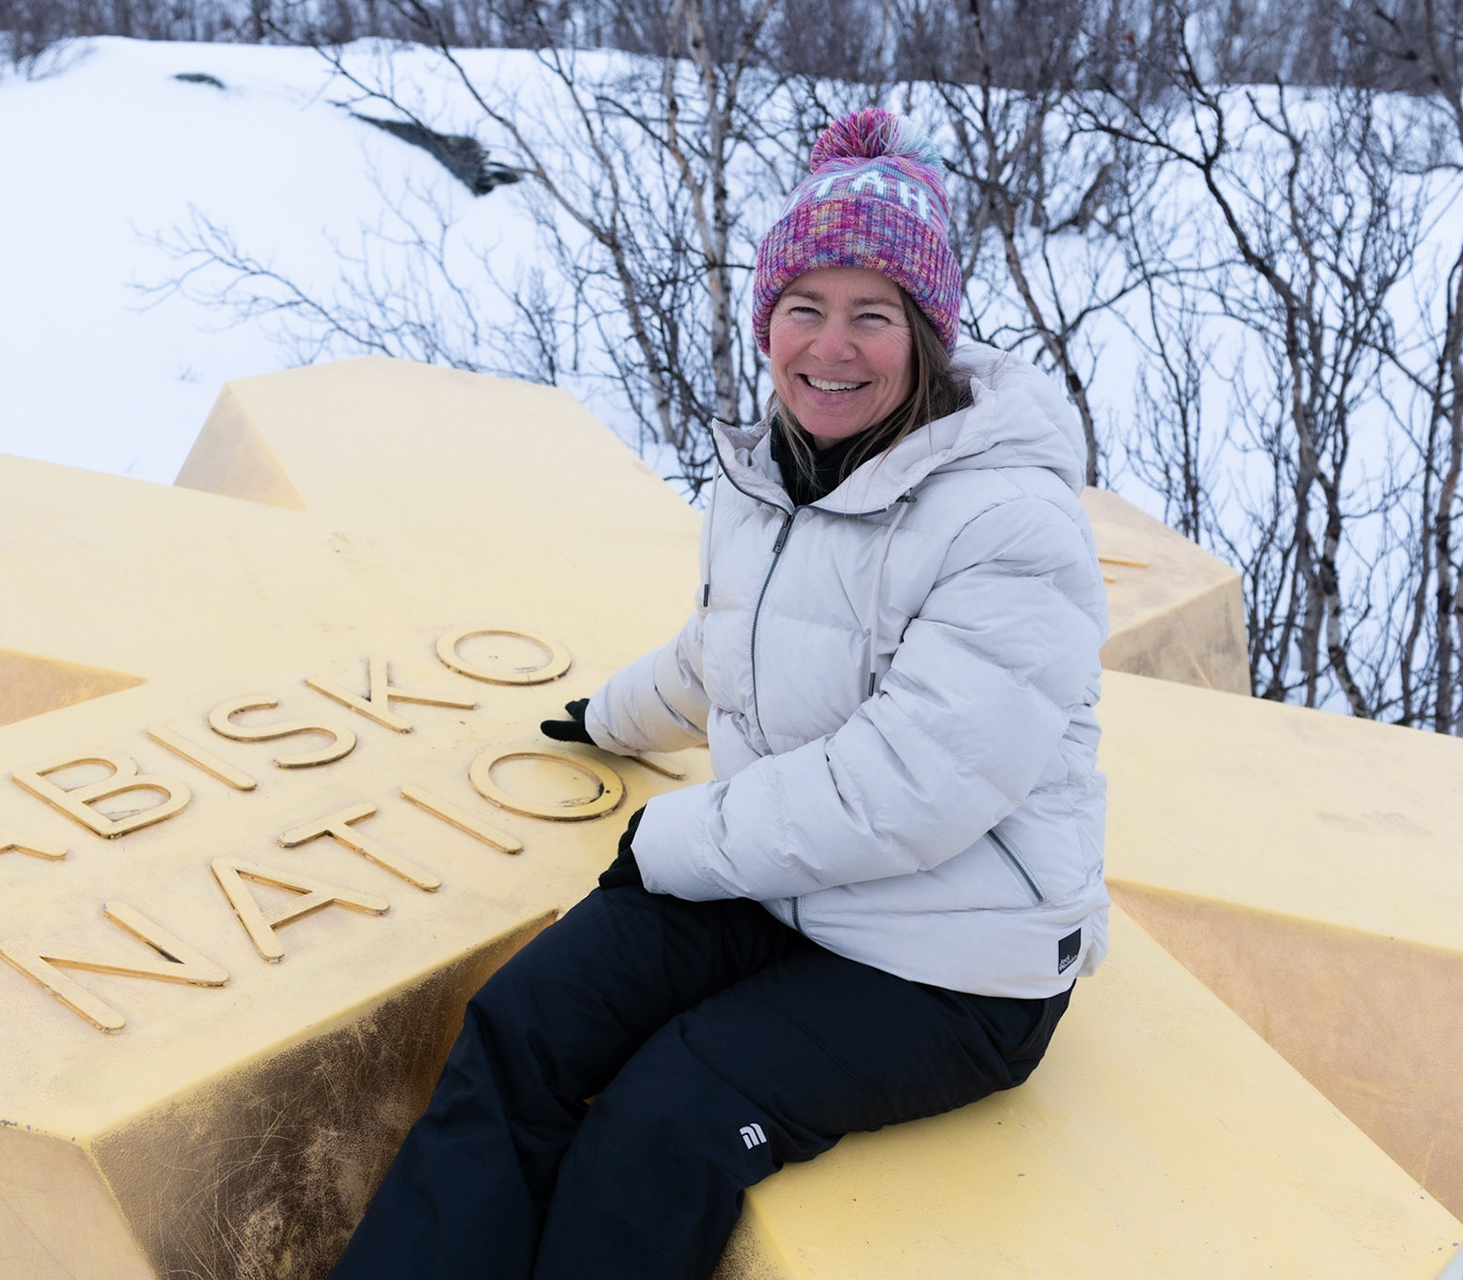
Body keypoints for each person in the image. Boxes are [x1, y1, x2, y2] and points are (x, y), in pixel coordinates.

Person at [329, 107, 1109, 1280]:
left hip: (954, 959)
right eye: (804, 306)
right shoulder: (777, 472)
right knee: (523, 1025)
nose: (831, 346)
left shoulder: (1009, 522)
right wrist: (607, 717)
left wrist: (675, 839)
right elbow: (726, 648)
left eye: (873, 313)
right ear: (766, 321)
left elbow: (912, 784)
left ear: (927, 335)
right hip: (784, 886)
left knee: (660, 1124)